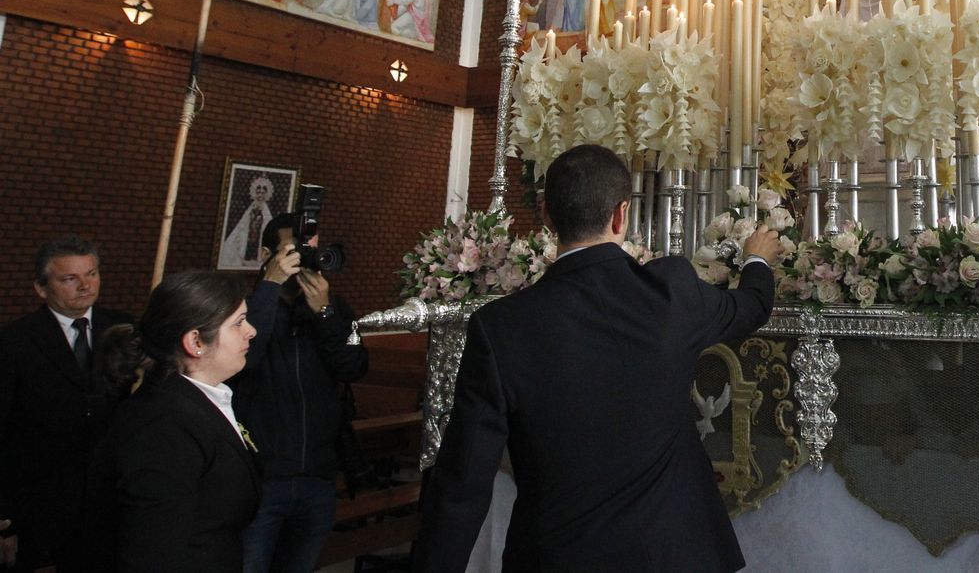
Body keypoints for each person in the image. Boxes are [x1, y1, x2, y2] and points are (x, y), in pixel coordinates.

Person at [413, 144, 782, 573]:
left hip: (559, 556)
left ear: (547, 215)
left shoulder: (500, 327)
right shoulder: (671, 293)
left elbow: (462, 483)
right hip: (673, 553)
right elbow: (750, 307)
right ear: (621, 214)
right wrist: (756, 256)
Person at [86, 270, 262, 572]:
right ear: (195, 341)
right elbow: (153, 553)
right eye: (238, 323)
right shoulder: (163, 425)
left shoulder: (199, 400)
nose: (252, 331)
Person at [233, 214, 369, 573]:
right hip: (262, 479)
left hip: (317, 478)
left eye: (312, 250)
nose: (305, 260)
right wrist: (269, 287)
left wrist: (324, 313)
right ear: (267, 254)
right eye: (295, 251)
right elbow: (243, 362)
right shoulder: (242, 309)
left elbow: (353, 367)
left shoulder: (335, 310)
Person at [0, 238, 135, 572]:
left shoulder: (123, 331)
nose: (85, 285)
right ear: (41, 288)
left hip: (108, 505)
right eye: (69, 279)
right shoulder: (14, 342)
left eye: (91, 274)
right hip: (39, 505)